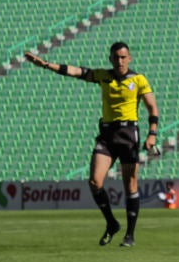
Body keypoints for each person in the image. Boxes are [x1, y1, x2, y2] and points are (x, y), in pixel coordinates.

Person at [24, 42, 159, 247]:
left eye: (123, 57)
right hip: (107, 135)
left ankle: (130, 235)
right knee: (95, 182)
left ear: (129, 58)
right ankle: (111, 223)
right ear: (110, 59)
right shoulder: (103, 76)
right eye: (116, 57)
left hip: (128, 135)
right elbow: (76, 71)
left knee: (130, 185)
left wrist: (152, 135)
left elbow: (152, 108)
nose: (120, 61)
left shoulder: (139, 80)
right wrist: (45, 64)